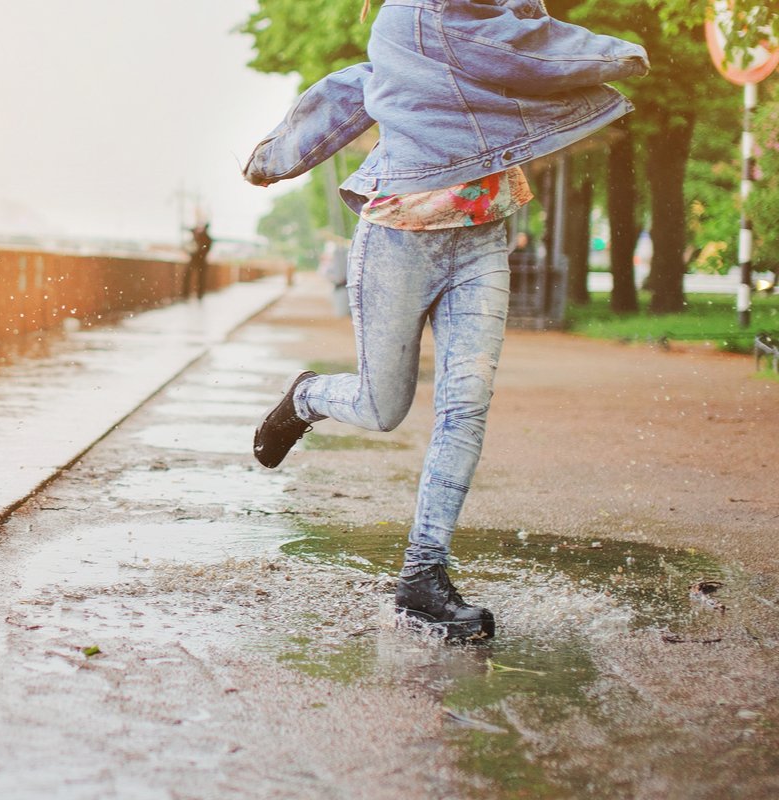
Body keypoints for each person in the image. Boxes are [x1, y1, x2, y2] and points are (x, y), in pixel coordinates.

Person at [245, 0, 648, 641]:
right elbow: (518, 51)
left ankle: (422, 575)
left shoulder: (493, 19)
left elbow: (512, 45)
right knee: (383, 408)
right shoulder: (410, 17)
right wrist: (277, 157)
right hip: (398, 241)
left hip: (483, 239)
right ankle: (307, 397)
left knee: (466, 404)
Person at [184, 222, 213, 300]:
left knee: (194, 277)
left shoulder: (200, 237)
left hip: (197, 260)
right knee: (200, 279)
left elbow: (204, 249)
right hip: (200, 260)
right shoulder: (206, 238)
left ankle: (187, 294)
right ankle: (197, 294)